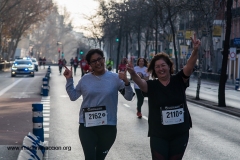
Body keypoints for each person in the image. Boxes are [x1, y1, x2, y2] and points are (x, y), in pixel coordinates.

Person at [127, 33, 201, 160]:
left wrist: (195, 50)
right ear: (154, 70)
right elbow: (141, 83)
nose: (160, 69)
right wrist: (133, 73)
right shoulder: (152, 85)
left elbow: (189, 67)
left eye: (163, 65)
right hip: (159, 134)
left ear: (169, 66)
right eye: (157, 67)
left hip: (180, 133)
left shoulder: (179, 80)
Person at [63, 49, 134, 160]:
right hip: (87, 127)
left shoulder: (115, 78)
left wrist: (126, 82)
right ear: (90, 64)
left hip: (108, 127)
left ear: (103, 59)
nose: (97, 63)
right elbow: (73, 96)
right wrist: (69, 80)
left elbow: (129, 97)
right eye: (93, 61)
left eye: (99, 59)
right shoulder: (85, 79)